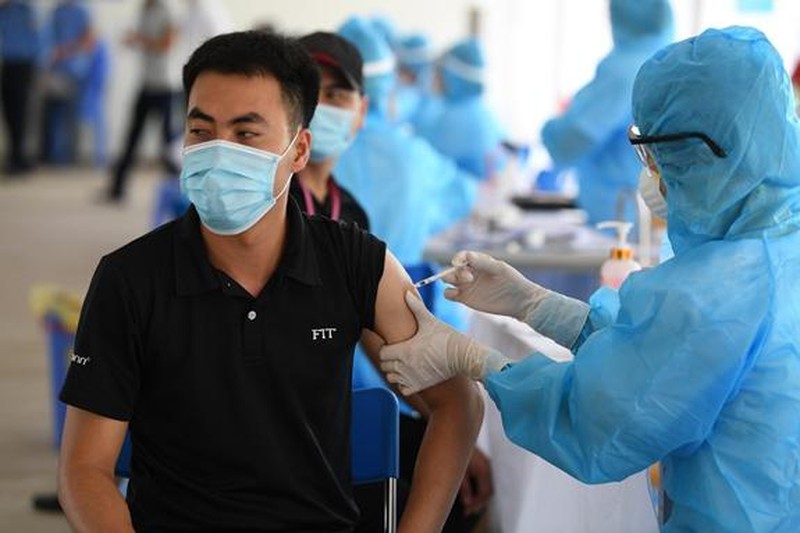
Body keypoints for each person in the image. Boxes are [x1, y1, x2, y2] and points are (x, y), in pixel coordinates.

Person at [57, 30, 482, 532]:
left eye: (245, 134)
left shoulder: (356, 262)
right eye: (201, 131)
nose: (219, 152)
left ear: (299, 149)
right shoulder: (131, 279)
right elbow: (84, 470)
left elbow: (457, 402)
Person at [378, 26, 800, 531]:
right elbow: (654, 350)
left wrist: (475, 360)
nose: (654, 178)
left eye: (657, 158)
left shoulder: (718, 287)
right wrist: (534, 304)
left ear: (706, 152)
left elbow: (597, 420)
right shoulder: (773, 248)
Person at [297, 31, 492, 532]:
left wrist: (440, 421)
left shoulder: (349, 215)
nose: (323, 107)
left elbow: (377, 337)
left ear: (363, 110)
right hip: (290, 429)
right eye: (310, 92)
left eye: (337, 94)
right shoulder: (271, 212)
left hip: (345, 412)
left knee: (454, 489)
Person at [335, 17, 479, 302]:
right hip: (402, 304)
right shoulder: (413, 153)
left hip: (329, 309)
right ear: (387, 85)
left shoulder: (313, 154)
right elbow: (462, 194)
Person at [539, 0, 673, 225]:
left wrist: (549, 131)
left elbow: (576, 134)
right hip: (652, 207)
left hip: (618, 209)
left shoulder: (625, 70)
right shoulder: (670, 60)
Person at [103, 0, 180, 202]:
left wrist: (140, 39)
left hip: (165, 86)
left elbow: (166, 45)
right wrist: (134, 41)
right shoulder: (144, 10)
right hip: (146, 84)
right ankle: (117, 189)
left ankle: (183, 192)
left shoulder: (169, 11)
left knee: (168, 144)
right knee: (132, 138)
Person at [419, 37, 504, 180]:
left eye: (439, 72)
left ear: (452, 77)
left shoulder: (450, 122)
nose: (433, 77)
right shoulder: (484, 113)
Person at [0, 0, 40, 175]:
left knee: (20, 113)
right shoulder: (4, 11)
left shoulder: (25, 9)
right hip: (7, 64)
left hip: (23, 65)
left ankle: (20, 157)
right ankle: (15, 156)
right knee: (9, 112)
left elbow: (37, 37)